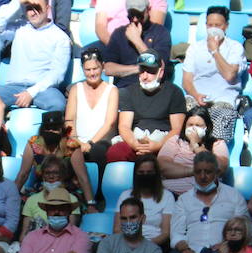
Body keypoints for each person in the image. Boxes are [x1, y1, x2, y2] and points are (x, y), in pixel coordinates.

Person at [165, 151, 249, 253]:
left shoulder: (234, 196)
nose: (202, 176)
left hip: (224, 250)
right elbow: (176, 234)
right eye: (198, 172)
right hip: (192, 251)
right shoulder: (184, 200)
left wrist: (229, 244)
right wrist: (185, 251)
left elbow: (246, 230)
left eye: (208, 172)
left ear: (217, 173)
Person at [0, 1, 71, 113]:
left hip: (43, 89)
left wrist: (31, 92)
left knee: (57, 104)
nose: (33, 13)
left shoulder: (60, 37)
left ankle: (47, 130)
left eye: (37, 8)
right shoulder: (19, 28)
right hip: (13, 88)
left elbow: (57, 74)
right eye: (29, 8)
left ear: (48, 9)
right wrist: (18, 2)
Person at [108, 51, 186, 163]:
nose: (145, 76)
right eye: (142, 71)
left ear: (160, 72)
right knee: (116, 152)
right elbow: (124, 126)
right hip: (136, 138)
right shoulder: (128, 92)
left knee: (177, 155)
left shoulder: (174, 92)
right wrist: (135, 144)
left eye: (150, 72)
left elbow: (176, 129)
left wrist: (158, 145)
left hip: (164, 140)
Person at [182, 6, 245, 142]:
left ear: (226, 26)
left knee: (221, 118)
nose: (213, 28)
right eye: (210, 25)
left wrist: (215, 51)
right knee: (180, 113)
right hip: (196, 98)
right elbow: (186, 80)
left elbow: (230, 75)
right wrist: (196, 95)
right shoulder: (195, 48)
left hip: (223, 100)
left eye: (218, 25)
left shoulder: (235, 48)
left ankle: (215, 155)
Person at [69, 49, 120, 181]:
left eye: (95, 68)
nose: (92, 73)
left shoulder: (112, 90)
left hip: (101, 141)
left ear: (102, 66)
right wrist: (77, 141)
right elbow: (69, 120)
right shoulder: (75, 89)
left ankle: (98, 194)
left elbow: (109, 122)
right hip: (78, 140)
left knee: (98, 151)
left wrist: (90, 143)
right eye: (88, 70)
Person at [158, 107, 229, 197]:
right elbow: (162, 167)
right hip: (171, 194)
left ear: (207, 128)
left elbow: (220, 167)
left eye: (198, 125)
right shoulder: (175, 141)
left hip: (202, 196)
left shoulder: (217, 144)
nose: (193, 129)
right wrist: (195, 170)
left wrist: (196, 147)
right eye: (190, 125)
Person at [104, 0, 172, 92]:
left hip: (153, 89)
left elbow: (160, 65)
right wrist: (140, 68)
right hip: (125, 88)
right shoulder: (119, 33)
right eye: (131, 15)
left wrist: (137, 41)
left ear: (148, 10)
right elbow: (109, 69)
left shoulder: (160, 33)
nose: (135, 19)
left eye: (139, 14)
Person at [113, 153, 173, 247]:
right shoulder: (125, 195)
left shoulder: (167, 196)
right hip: (126, 245)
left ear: (156, 174)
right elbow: (117, 229)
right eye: (141, 173)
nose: (145, 176)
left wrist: (144, 247)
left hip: (155, 246)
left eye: (149, 173)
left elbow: (165, 233)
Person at [19, 156, 84, 236]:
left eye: (55, 173)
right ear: (43, 176)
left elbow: (71, 232)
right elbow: (24, 234)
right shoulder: (31, 200)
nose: (51, 177)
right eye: (47, 173)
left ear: (63, 175)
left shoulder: (72, 200)